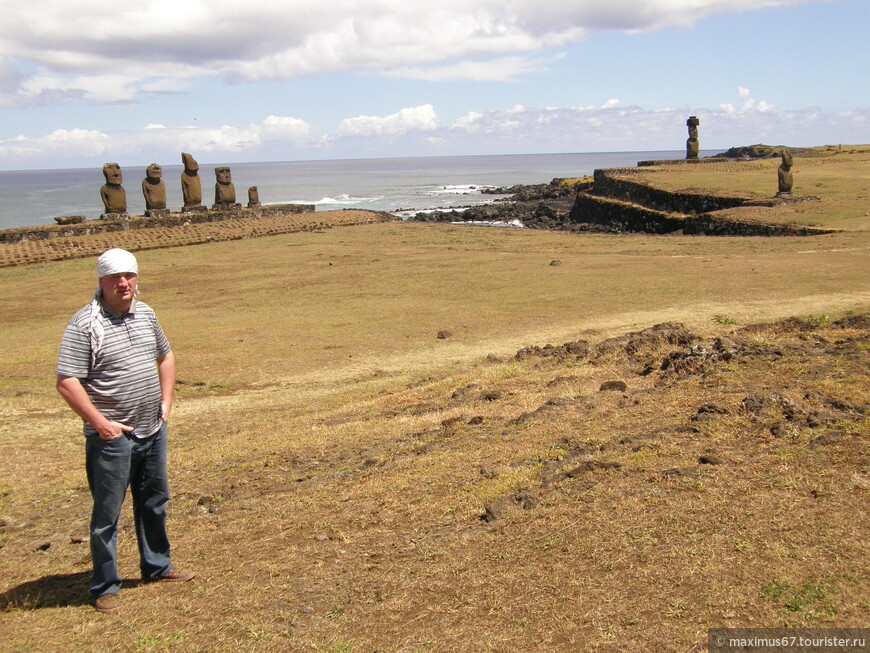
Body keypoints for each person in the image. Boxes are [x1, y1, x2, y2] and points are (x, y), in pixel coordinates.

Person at [56, 248, 193, 613]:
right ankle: (105, 585)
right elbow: (67, 381)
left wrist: (166, 402)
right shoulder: (85, 324)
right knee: (107, 514)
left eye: (129, 276)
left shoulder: (146, 313)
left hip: (152, 428)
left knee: (154, 501)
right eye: (115, 277)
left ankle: (157, 566)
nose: (123, 283)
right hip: (112, 439)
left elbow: (165, 356)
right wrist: (100, 424)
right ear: (101, 281)